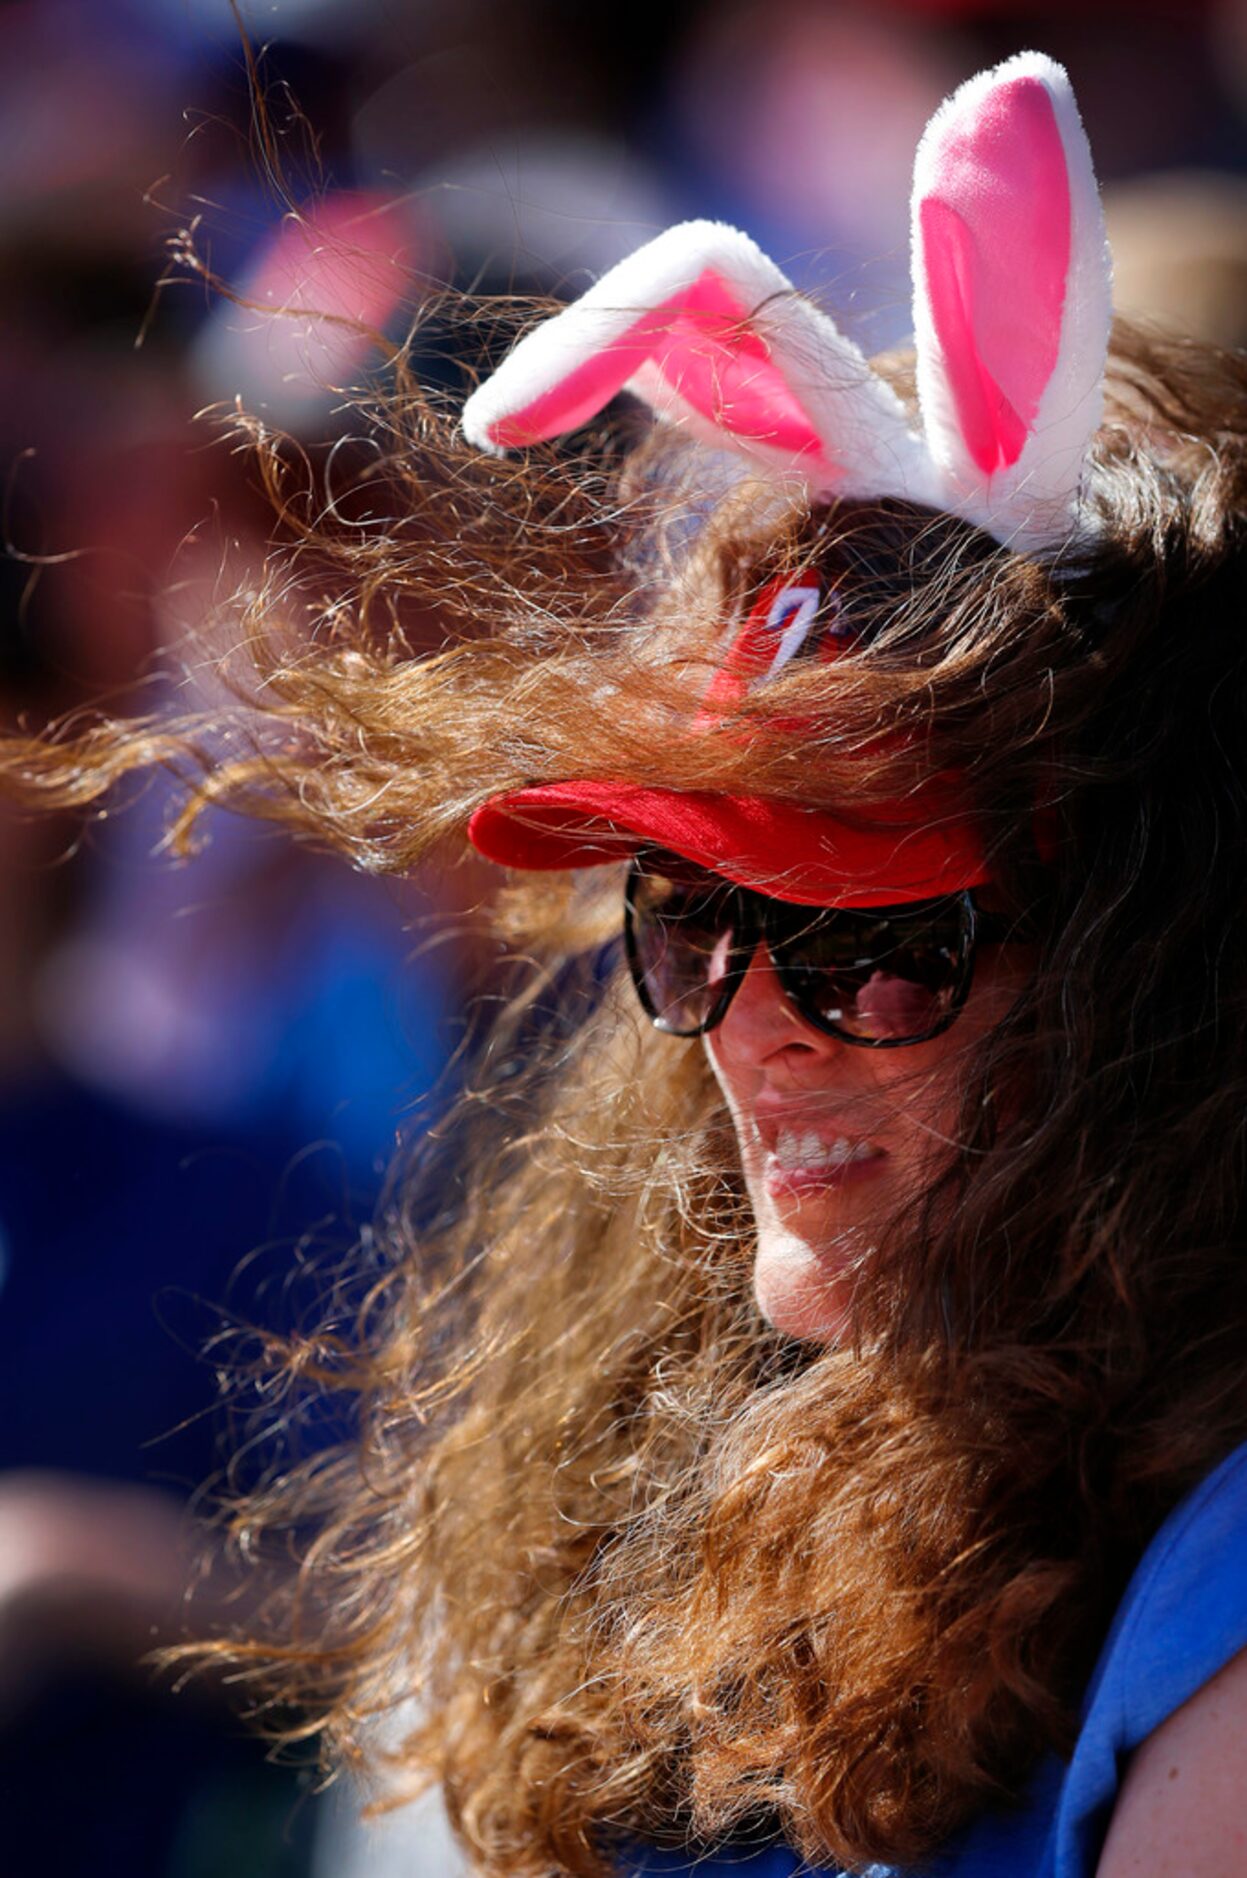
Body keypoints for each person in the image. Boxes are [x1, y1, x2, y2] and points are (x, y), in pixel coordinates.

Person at [7, 48, 1247, 1878]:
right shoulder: (743, 1386)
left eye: (875, 941)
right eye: (692, 916)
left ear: (1154, 960)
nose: (739, 1019)